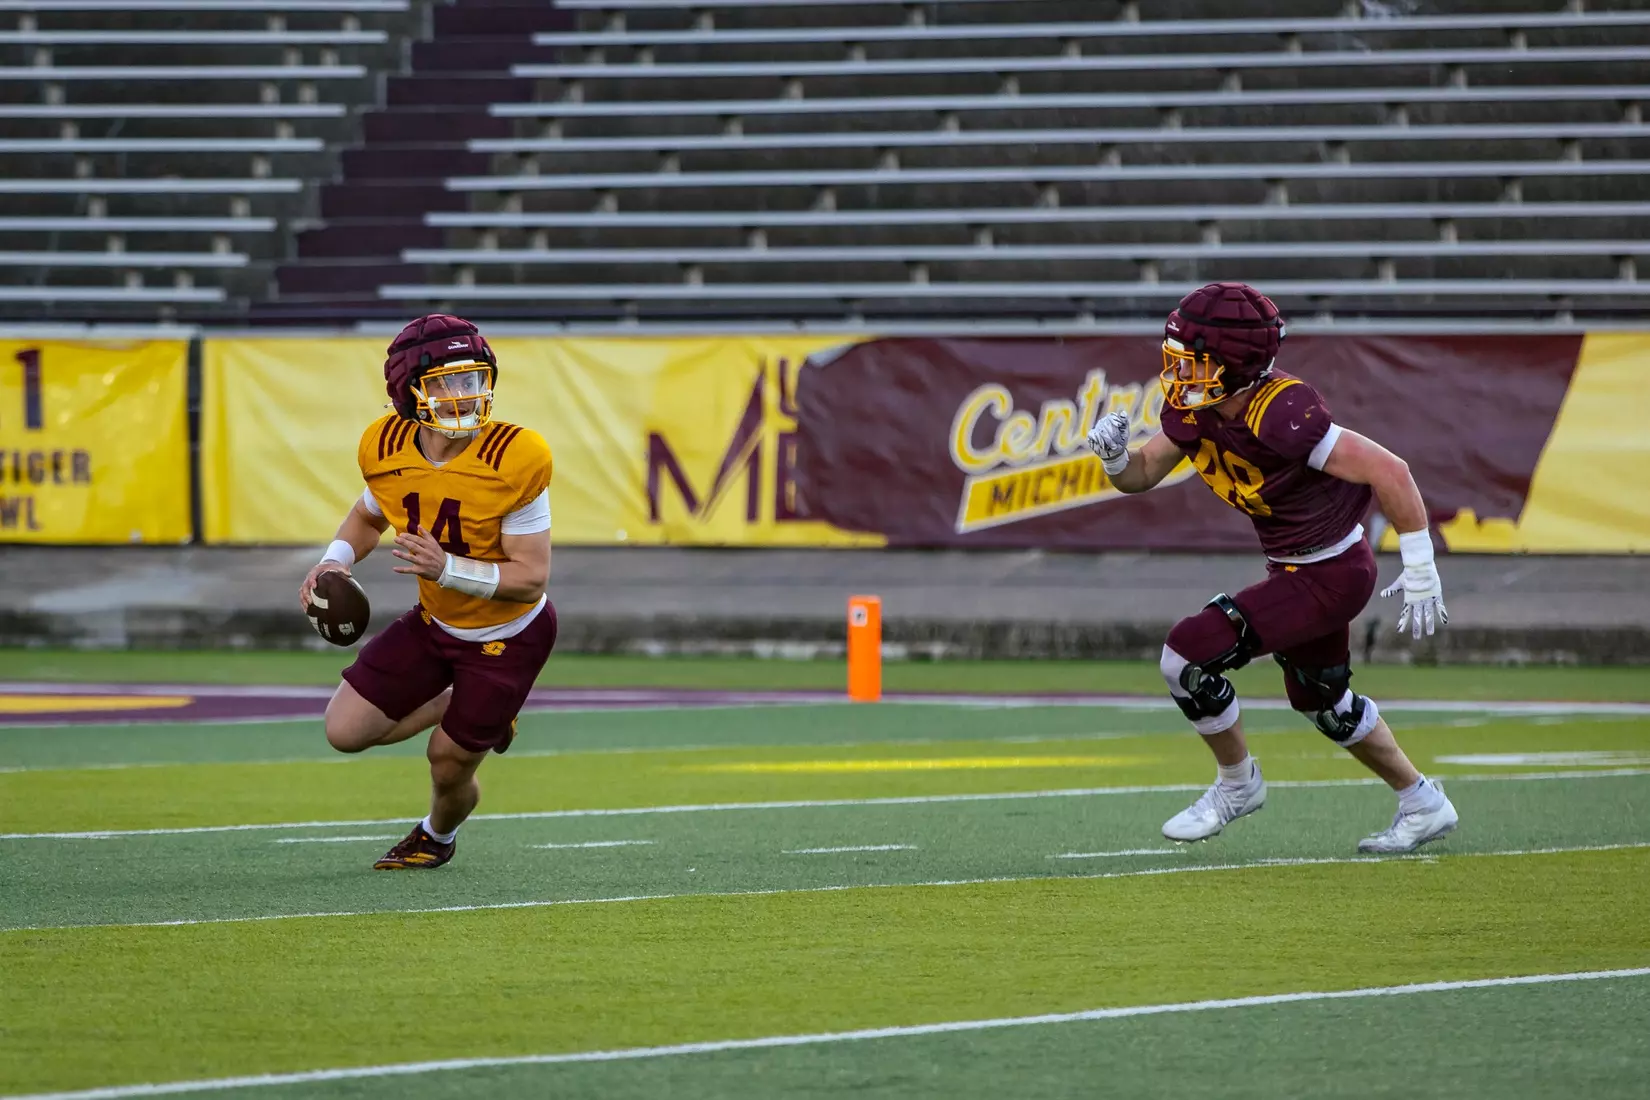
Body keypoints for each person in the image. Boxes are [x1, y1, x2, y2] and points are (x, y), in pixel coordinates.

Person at [1086, 282, 1457, 853]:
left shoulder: (1280, 412)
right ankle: (1423, 802)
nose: (1179, 372)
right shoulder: (1198, 408)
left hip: (1330, 573)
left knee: (1185, 656)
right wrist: (1115, 459)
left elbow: (1390, 470)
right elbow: (1142, 473)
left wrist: (1420, 562)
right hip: (1296, 569)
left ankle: (1238, 785)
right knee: (1324, 704)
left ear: (1232, 363)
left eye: (1193, 360)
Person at [298, 314, 556, 869]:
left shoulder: (516, 457)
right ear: (408, 389)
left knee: (447, 762)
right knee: (344, 730)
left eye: (472, 378)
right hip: (436, 623)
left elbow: (532, 578)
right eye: (447, 381)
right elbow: (368, 516)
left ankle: (436, 836)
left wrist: (447, 570)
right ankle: (461, 703)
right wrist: (334, 561)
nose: (465, 393)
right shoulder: (386, 445)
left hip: (508, 635)